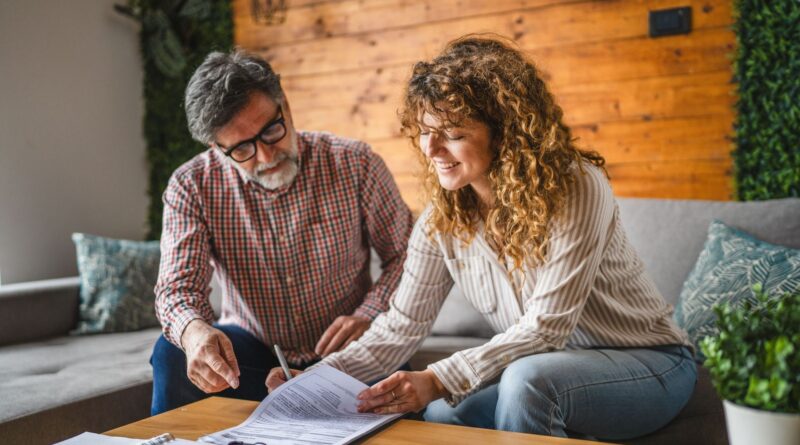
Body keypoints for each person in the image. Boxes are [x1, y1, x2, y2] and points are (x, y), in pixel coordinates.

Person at [266, 36, 697, 441]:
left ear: (505, 134)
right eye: (425, 130)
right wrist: (320, 376)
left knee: (528, 383)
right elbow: (400, 327)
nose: (431, 149)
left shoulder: (576, 186)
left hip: (651, 363)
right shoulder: (442, 219)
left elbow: (547, 329)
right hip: (547, 367)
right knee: (442, 414)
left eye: (452, 134)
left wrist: (437, 379)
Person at [150, 49, 414, 415]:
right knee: (172, 354)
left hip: (352, 349)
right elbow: (177, 289)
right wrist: (194, 333)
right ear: (217, 147)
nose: (264, 156)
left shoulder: (356, 163)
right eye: (242, 148)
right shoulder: (191, 185)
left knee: (399, 394)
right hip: (254, 359)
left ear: (285, 106)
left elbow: (406, 256)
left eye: (272, 130)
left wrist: (369, 313)